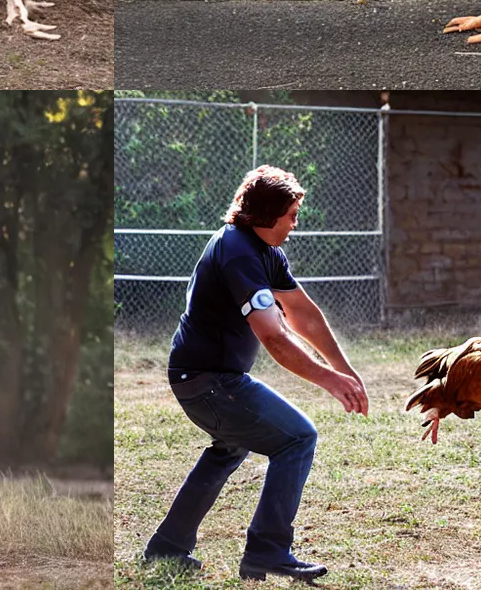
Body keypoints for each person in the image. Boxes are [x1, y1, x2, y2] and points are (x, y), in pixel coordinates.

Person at [142, 166, 369, 582]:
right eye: (291, 215)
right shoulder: (239, 252)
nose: (295, 224)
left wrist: (344, 368)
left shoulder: (264, 249)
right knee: (298, 438)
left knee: (230, 448)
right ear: (267, 214)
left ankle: (167, 548)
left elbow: (302, 315)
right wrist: (331, 382)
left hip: (210, 379)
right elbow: (276, 338)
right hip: (209, 382)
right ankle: (267, 550)